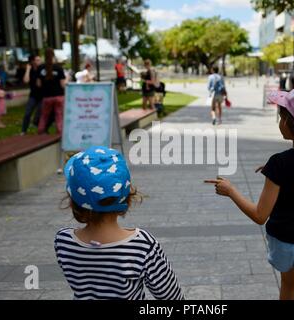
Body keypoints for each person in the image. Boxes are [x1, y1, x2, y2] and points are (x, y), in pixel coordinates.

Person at [205, 86, 294, 300]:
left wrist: (231, 191)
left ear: (293, 125)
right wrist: (274, 170)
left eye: (281, 116)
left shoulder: (280, 163)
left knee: (287, 285)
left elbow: (260, 215)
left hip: (284, 242)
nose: (279, 121)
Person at [55, 146, 185, 300]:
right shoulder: (141, 245)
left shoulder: (63, 241)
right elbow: (171, 296)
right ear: (127, 196)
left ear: (73, 200)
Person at [37, 48, 67, 135]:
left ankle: (41, 131)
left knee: (44, 116)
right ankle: (60, 133)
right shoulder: (58, 68)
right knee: (59, 115)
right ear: (53, 55)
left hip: (46, 96)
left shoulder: (41, 68)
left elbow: (38, 84)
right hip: (59, 96)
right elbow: (62, 85)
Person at [21, 54, 43, 135]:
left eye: (39, 60)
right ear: (32, 61)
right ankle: (23, 130)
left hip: (42, 96)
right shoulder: (30, 71)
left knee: (39, 114)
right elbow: (26, 81)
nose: (39, 62)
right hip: (33, 95)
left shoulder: (42, 69)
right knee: (27, 113)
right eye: (37, 60)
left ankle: (38, 127)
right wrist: (28, 69)